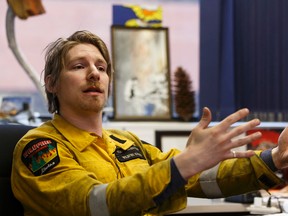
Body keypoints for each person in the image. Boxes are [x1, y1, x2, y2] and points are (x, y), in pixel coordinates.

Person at [11, 30, 288, 216]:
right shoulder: (39, 147)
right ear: (51, 84)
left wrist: (274, 157)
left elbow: (199, 179)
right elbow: (91, 203)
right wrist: (184, 165)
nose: (94, 73)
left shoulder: (126, 141)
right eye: (79, 66)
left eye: (102, 67)